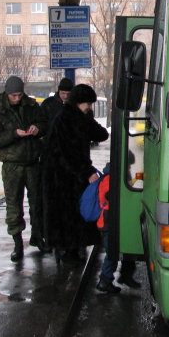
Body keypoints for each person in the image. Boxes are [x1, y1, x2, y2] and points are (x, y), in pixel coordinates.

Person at [41, 84, 109, 266]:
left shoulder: (80, 117)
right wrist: (86, 172)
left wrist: (88, 119)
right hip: (60, 177)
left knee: (74, 212)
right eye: (88, 103)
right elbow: (68, 152)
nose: (90, 107)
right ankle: (66, 251)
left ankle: (73, 248)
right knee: (66, 214)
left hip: (71, 174)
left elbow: (102, 134)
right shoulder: (65, 118)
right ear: (79, 102)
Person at [0, 75, 49, 261]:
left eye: (19, 95)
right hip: (12, 165)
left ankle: (38, 237)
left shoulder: (31, 106)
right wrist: (14, 134)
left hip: (32, 163)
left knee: (37, 203)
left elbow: (44, 124)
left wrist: (37, 129)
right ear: (7, 93)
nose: (17, 98)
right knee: (14, 205)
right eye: (13, 95)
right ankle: (17, 243)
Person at [95, 158, 141, 293]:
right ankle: (105, 281)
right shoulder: (110, 178)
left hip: (113, 221)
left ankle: (125, 276)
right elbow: (111, 195)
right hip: (109, 223)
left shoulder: (116, 175)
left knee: (124, 248)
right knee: (112, 253)